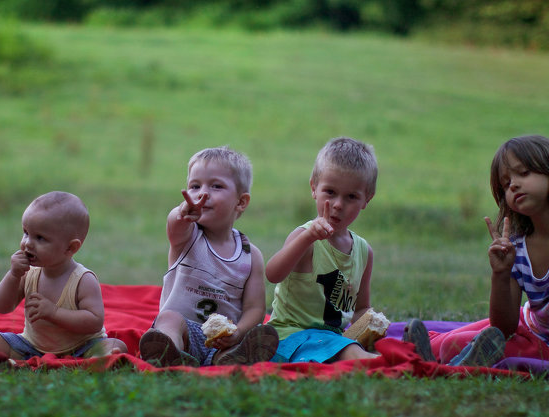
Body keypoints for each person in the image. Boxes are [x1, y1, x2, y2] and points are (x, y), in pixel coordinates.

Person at [422, 135, 549, 379]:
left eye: (523, 173)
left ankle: (448, 362)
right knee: (445, 341)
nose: (512, 185)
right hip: (525, 325)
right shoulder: (517, 241)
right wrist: (501, 273)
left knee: (453, 345)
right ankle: (424, 353)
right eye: (505, 184)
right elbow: (503, 327)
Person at [0, 191, 127, 359]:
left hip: (83, 346)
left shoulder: (83, 280)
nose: (28, 243)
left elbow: (94, 321)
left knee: (115, 343)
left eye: (40, 238)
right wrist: (13, 275)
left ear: (70, 248)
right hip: (32, 346)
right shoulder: (28, 273)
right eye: (26, 233)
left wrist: (53, 312)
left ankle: (106, 357)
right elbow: (2, 306)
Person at [139, 147, 278, 366]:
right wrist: (182, 212)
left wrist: (238, 332)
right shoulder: (187, 236)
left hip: (223, 340)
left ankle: (229, 360)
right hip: (186, 333)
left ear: (240, 202)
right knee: (168, 319)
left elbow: (255, 308)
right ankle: (169, 351)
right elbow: (174, 223)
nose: (203, 194)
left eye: (216, 186)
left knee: (249, 337)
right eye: (195, 186)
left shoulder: (250, 255)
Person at [265, 137, 383, 363]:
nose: (338, 204)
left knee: (371, 347)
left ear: (366, 199)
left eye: (351, 196)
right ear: (314, 188)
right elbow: (273, 274)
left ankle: (449, 356)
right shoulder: (305, 236)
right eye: (330, 192)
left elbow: (361, 308)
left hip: (331, 340)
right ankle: (391, 364)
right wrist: (308, 237)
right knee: (354, 355)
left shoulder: (363, 251)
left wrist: (370, 327)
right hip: (289, 337)